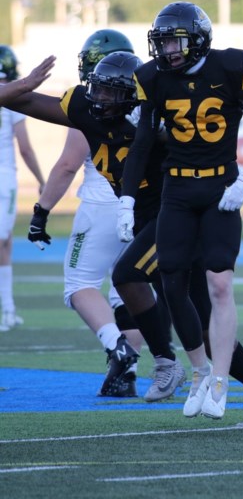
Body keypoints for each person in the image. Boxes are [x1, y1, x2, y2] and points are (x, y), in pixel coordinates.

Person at [119, 1, 243, 420]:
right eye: (163, 42)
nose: (169, 50)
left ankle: (223, 381)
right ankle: (200, 372)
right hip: (177, 188)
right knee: (170, 282)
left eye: (176, 41)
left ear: (198, 38)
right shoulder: (151, 78)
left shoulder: (231, 67)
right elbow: (140, 146)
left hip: (220, 187)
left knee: (219, 284)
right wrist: (127, 199)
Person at [25, 29, 151, 396]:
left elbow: (66, 165)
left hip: (101, 204)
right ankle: (129, 373)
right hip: (138, 205)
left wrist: (41, 211)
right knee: (124, 291)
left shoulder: (94, 102)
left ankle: (118, 347)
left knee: (79, 285)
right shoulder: (146, 99)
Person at [0, 45, 47, 332]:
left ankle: (8, 310)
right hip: (3, 177)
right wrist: (42, 180)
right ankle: (7, 311)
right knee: (3, 244)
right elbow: (26, 149)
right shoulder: (12, 97)